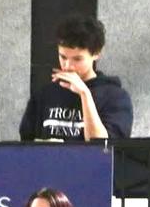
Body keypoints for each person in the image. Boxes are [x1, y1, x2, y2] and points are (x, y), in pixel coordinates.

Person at [19, 13, 133, 141]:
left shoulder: (115, 98)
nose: (68, 66)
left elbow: (103, 149)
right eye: (63, 57)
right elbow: (26, 144)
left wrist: (85, 94)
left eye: (77, 59)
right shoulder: (45, 94)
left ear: (96, 54)